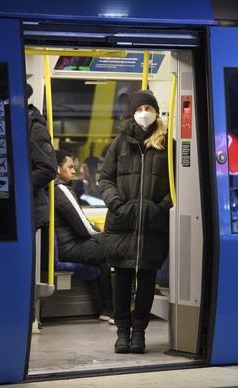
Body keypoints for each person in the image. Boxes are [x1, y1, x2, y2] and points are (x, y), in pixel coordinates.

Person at [99, 90, 172, 354]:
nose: (144, 113)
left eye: (148, 108)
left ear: (156, 111)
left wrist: (160, 208)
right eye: (139, 108)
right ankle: (121, 332)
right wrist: (117, 205)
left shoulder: (167, 144)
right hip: (123, 224)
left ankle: (139, 332)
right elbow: (105, 179)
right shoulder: (119, 144)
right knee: (122, 279)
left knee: (147, 280)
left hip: (153, 225)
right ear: (133, 113)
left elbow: (176, 184)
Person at [53, 149, 114, 323]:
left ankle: (108, 310)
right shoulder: (61, 189)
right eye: (70, 167)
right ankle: (121, 308)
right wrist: (101, 233)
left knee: (103, 256)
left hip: (67, 245)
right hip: (69, 247)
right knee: (114, 244)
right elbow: (83, 227)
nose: (73, 171)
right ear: (58, 168)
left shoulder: (55, 188)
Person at [26, 83, 58, 333]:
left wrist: (17, 193)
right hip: (13, 209)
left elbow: (47, 168)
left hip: (28, 208)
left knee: (23, 267)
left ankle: (29, 317)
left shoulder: (34, 128)